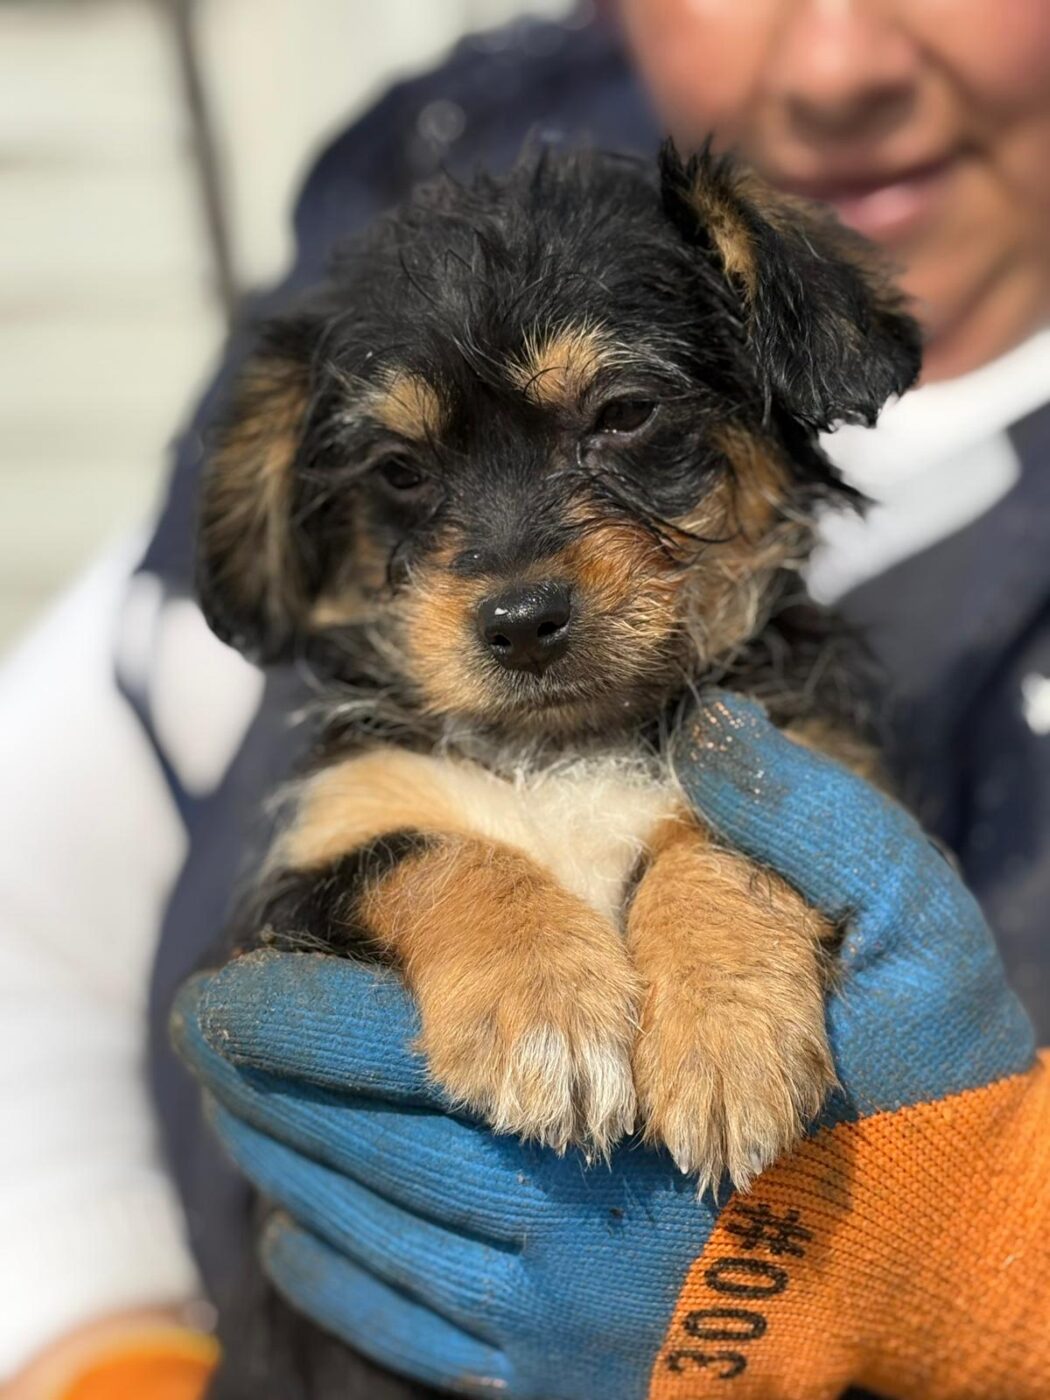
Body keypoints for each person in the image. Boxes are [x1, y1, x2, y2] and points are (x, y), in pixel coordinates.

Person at [4, 0, 1050, 1394]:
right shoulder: (426, 160)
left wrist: (1008, 1290)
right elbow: (30, 897)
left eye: (623, 421)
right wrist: (95, 1349)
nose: (516, 583)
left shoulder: (727, 269)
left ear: (775, 385)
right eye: (403, 478)